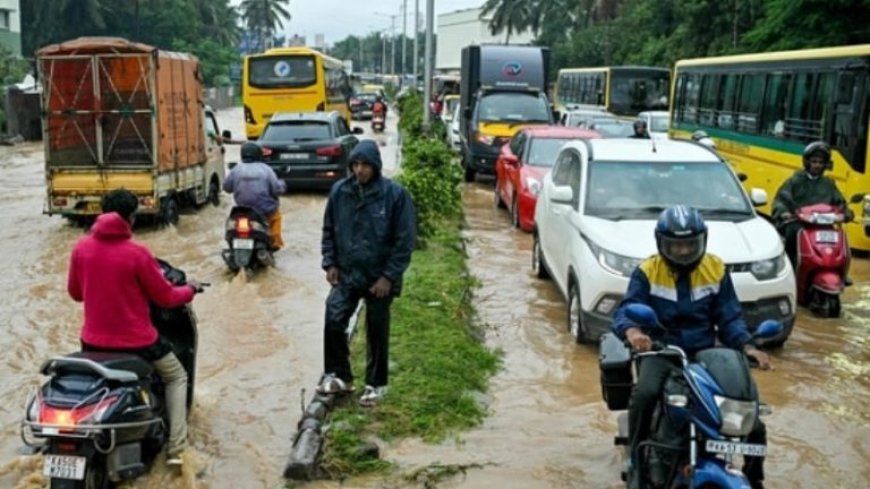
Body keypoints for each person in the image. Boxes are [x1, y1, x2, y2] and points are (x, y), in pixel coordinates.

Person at [612, 205, 771, 489]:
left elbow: (730, 317)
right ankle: (636, 461)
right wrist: (634, 332)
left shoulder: (716, 269)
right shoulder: (647, 271)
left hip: (705, 353)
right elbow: (625, 311)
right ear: (661, 243)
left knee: (750, 414)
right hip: (663, 350)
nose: (683, 252)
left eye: (689, 245)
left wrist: (748, 346)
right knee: (645, 394)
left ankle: (755, 474)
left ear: (702, 240)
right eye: (675, 245)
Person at [67, 189, 203, 467]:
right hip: (139, 343)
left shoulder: (81, 248)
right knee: (176, 377)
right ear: (131, 217)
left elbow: (76, 294)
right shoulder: (137, 253)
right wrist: (190, 289)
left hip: (92, 344)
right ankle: (177, 450)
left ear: (102, 211)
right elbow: (165, 296)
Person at [318, 139, 416, 406]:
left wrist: (388, 277)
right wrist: (331, 263)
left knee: (376, 330)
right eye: (355, 165)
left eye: (365, 165)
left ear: (375, 167)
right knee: (333, 319)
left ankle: (375, 383)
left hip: (378, 278)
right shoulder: (340, 192)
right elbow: (328, 230)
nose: (359, 170)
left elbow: (404, 241)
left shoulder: (395, 195)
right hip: (347, 274)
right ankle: (340, 376)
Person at [772, 141, 852, 268]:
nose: (817, 165)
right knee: (792, 233)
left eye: (820, 163)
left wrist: (847, 212)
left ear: (825, 165)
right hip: (799, 223)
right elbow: (781, 200)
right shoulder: (795, 181)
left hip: (823, 225)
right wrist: (784, 212)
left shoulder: (828, 184)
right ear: (807, 162)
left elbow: (840, 203)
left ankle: (839, 268)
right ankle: (789, 267)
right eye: (814, 162)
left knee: (839, 238)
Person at [223, 142, 287, 250]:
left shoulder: (236, 170)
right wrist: (282, 185)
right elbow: (277, 189)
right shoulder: (266, 169)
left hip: (242, 211)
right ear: (258, 154)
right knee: (276, 217)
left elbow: (226, 188)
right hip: (264, 211)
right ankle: (275, 243)